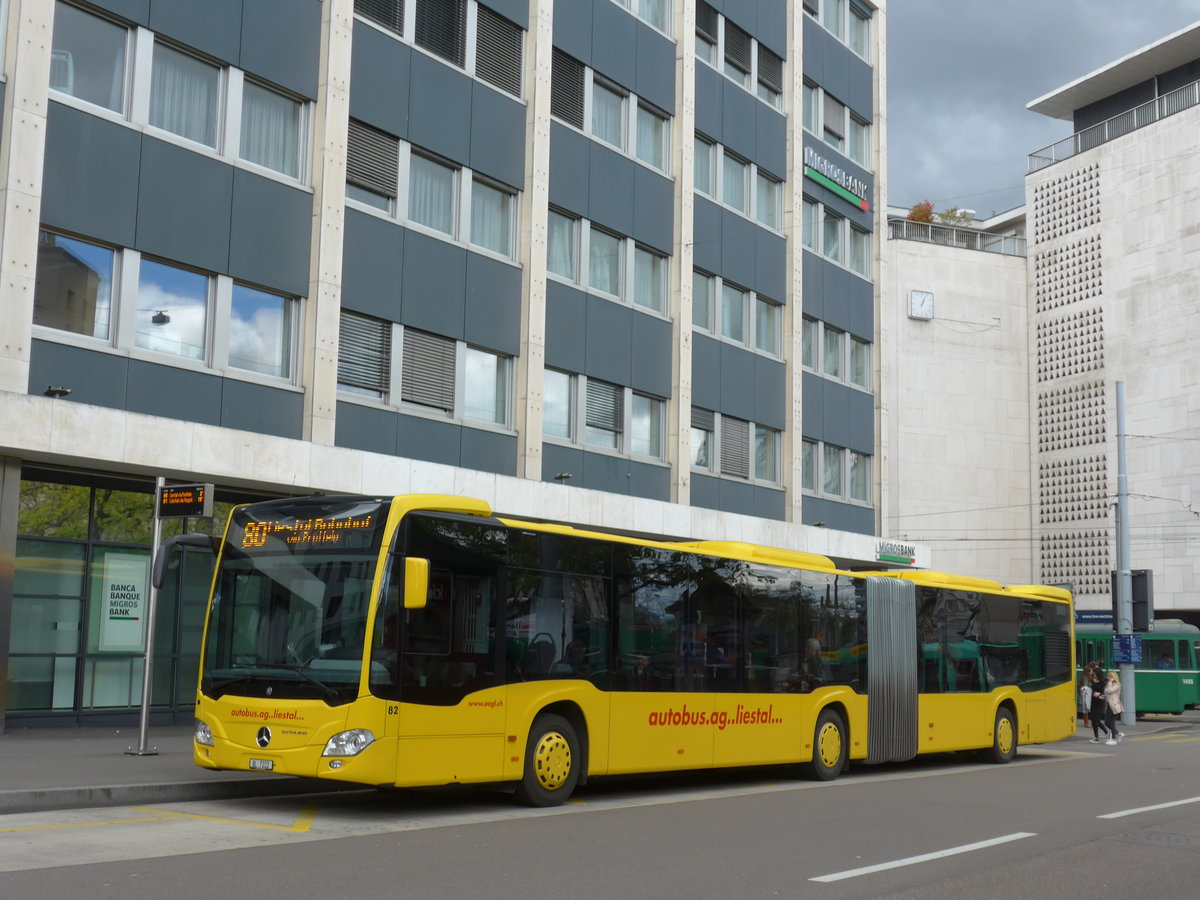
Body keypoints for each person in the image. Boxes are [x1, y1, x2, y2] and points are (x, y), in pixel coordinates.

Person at [1088, 665, 1110, 743]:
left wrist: (1100, 695)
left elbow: (1106, 695)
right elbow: (1090, 690)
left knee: (1097, 719)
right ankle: (1096, 737)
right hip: (1093, 702)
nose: (1094, 675)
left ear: (1098, 674)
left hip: (1101, 703)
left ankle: (1107, 733)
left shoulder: (1103, 683)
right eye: (1093, 674)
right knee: (1093, 721)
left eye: (1095, 674)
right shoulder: (1093, 681)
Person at [1103, 671, 1125, 745]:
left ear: (1113, 677)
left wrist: (1110, 683)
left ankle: (1114, 739)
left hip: (1115, 706)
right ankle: (1118, 733)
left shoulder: (1117, 684)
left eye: (1110, 676)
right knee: (1106, 722)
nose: (1108, 677)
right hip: (1109, 705)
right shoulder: (1109, 684)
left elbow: (1110, 691)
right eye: (1108, 676)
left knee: (1112, 722)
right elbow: (1106, 693)